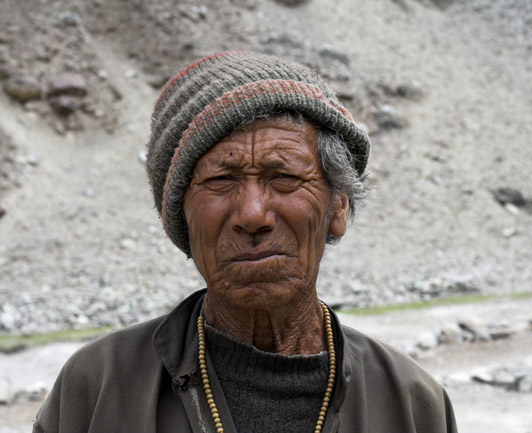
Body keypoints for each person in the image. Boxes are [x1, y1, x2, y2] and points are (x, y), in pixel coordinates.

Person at [33, 51, 457, 433]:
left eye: (285, 177)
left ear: (339, 207)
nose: (253, 214)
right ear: (181, 218)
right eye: (220, 180)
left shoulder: (413, 404)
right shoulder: (95, 388)